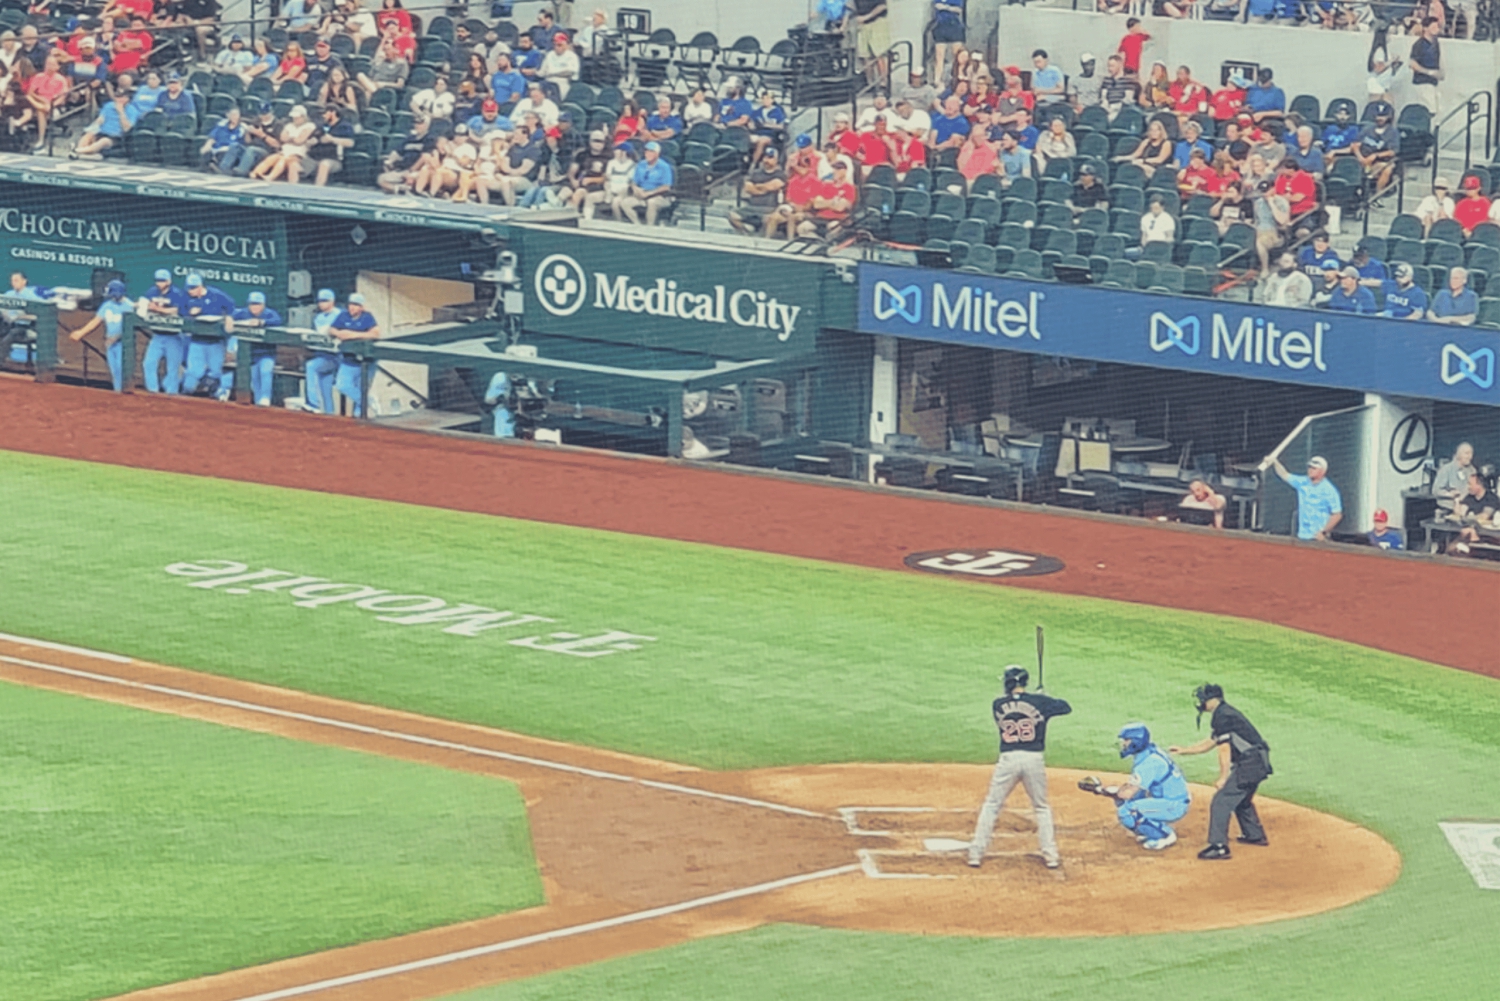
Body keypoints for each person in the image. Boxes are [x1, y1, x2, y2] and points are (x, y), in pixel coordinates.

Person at [968, 666, 1070, 870]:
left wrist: (1038, 700)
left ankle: (975, 854)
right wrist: (1044, 698)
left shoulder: (997, 704)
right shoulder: (1040, 703)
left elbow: (1017, 709)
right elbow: (1065, 707)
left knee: (992, 805)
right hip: (1034, 759)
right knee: (1041, 807)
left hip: (1008, 759)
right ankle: (1051, 856)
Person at [1169, 684, 1272, 861]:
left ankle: (1219, 846)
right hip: (1258, 761)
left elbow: (1224, 749)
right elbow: (1212, 741)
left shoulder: (1222, 716)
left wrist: (1223, 777)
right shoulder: (1224, 713)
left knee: (1221, 801)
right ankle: (1254, 835)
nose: (1201, 702)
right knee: (1242, 799)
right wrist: (1185, 750)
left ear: (1213, 699)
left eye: (1203, 699)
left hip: (1251, 763)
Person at [1088, 725, 1191, 851]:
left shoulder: (1148, 763)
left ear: (1136, 742)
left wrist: (1101, 790)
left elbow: (1127, 793)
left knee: (1127, 812)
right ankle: (1149, 829)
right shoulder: (1150, 752)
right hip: (1170, 799)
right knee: (1128, 801)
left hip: (1174, 805)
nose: (1124, 744)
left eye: (1127, 740)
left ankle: (1164, 835)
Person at [179, 274, 237, 397]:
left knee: (215, 373)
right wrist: (189, 313)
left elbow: (231, 306)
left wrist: (229, 317)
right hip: (197, 341)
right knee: (193, 373)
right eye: (189, 288)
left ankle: (213, 399)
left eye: (193, 288)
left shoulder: (215, 295)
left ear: (200, 286)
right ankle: (187, 395)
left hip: (215, 341)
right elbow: (180, 311)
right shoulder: (186, 297)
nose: (191, 291)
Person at [67, 279, 130, 392]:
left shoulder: (129, 306)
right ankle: (118, 393)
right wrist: (81, 332)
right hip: (110, 344)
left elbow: (130, 328)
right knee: (114, 371)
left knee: (122, 371)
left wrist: (117, 337)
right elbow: (95, 321)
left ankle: (124, 394)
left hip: (124, 344)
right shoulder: (107, 305)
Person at [224, 291, 283, 407]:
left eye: (257, 304)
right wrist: (229, 319)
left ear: (263, 305)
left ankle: (266, 398)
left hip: (266, 353)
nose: (254, 307)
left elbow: (278, 321)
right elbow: (231, 314)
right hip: (251, 355)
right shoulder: (243, 313)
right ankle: (258, 404)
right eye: (252, 304)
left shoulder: (270, 314)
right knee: (255, 380)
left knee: (265, 372)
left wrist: (262, 322)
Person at [1266, 454, 1342, 541]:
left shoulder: (1329, 490)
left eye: (1314, 468)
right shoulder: (1303, 482)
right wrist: (1275, 462)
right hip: (1302, 536)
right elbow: (1284, 475)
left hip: (1317, 538)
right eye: (1309, 467)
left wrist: (1323, 532)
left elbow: (1337, 515)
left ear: (1322, 471)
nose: (1310, 470)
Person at [330, 292, 380, 417]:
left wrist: (352, 335)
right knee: (342, 385)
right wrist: (340, 333)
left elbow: (375, 333)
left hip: (367, 361)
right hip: (349, 359)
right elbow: (332, 329)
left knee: (362, 387)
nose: (352, 307)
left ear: (361, 307)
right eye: (351, 304)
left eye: (356, 305)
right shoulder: (343, 315)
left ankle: (359, 415)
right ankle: (368, 401)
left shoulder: (367, 317)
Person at [139, 269, 189, 394]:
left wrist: (157, 308)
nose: (160, 283)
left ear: (169, 281)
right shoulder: (151, 292)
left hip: (174, 336)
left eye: (162, 280)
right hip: (158, 335)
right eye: (158, 280)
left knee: (173, 368)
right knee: (148, 363)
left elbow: (176, 310)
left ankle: (171, 394)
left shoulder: (177, 293)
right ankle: (153, 392)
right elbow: (143, 305)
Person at [729, 147, 786, 235]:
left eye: (770, 158)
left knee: (770, 219)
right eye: (765, 157)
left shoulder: (780, 174)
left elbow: (773, 186)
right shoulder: (755, 173)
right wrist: (762, 189)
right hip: (752, 207)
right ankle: (746, 233)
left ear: (776, 160)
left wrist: (757, 186)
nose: (767, 160)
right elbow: (748, 188)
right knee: (732, 215)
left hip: (769, 208)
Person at [303, 288, 343, 414]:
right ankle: (329, 416)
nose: (322, 303)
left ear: (332, 301)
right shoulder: (318, 318)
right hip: (322, 354)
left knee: (311, 367)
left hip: (336, 356)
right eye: (320, 301)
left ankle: (313, 404)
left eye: (325, 301)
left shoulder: (340, 315)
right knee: (325, 387)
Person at [616, 140, 674, 225]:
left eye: (651, 151)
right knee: (625, 203)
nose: (648, 153)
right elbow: (633, 182)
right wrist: (636, 189)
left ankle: (649, 227)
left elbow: (666, 187)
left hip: (658, 196)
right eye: (646, 151)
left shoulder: (664, 167)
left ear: (657, 154)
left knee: (652, 202)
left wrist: (649, 194)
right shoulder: (641, 164)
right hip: (641, 193)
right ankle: (637, 224)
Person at [71, 87, 138, 159]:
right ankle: (80, 150)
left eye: (120, 98)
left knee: (104, 141)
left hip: (116, 136)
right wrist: (92, 128)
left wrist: (121, 112)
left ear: (127, 99)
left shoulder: (132, 111)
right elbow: (100, 120)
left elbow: (127, 129)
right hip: (102, 132)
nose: (117, 100)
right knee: (89, 135)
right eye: (116, 97)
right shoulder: (109, 105)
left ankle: (77, 151)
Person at [1448, 471, 1500, 554]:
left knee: (1457, 543)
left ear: (1479, 485)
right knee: (1451, 545)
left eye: (1470, 484)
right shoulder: (1470, 497)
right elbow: (1460, 513)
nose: (1468, 487)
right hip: (1468, 531)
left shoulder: (1491, 498)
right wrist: (1457, 500)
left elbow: (1484, 516)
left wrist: (1468, 518)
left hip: (1487, 534)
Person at [1409, 16, 1441, 116]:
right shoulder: (1419, 45)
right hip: (1422, 82)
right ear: (1426, 28)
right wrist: (1428, 72)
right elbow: (1412, 64)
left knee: (1435, 110)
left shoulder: (1436, 43)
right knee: (1429, 110)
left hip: (1433, 82)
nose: (1437, 29)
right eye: (1434, 26)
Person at [930, 0, 966, 88]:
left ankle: (957, 78)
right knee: (939, 56)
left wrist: (945, 7)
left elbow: (958, 10)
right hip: (941, 26)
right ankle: (937, 80)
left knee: (958, 56)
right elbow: (937, 6)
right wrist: (949, 8)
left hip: (954, 26)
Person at [1434, 443, 1477, 513]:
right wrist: (1450, 494)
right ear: (1458, 455)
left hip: (1465, 508)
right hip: (1446, 509)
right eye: (1467, 453)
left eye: (1471, 454)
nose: (1470, 457)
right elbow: (1436, 491)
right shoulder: (1446, 469)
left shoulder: (1472, 470)